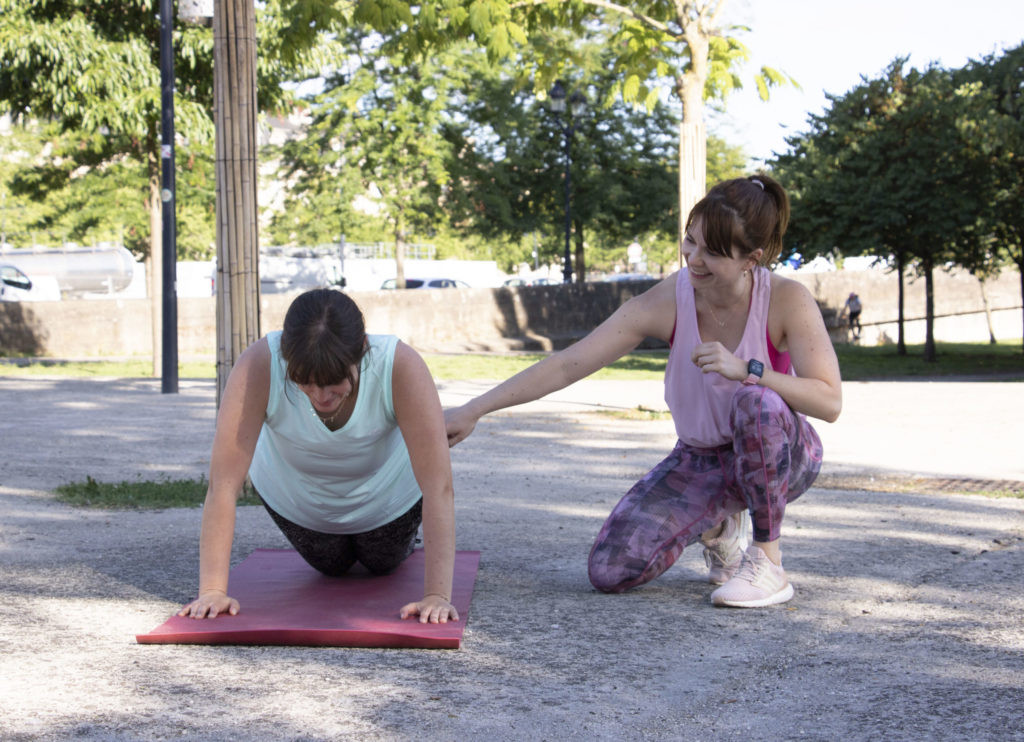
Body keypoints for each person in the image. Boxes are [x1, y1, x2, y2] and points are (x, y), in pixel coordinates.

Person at [446, 174, 842, 608]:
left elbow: (828, 401)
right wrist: (475, 409)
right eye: (690, 242)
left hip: (785, 455)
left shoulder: (786, 299)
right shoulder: (671, 298)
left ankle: (767, 560)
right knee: (610, 571)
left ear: (752, 258)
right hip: (702, 459)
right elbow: (568, 363)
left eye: (712, 251)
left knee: (755, 401)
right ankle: (720, 528)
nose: (694, 259)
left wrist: (749, 369)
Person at [179, 289, 458, 624]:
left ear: (362, 351)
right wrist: (211, 590)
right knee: (332, 567)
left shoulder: (399, 365)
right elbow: (223, 484)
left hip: (388, 500)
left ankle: (399, 543)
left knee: (381, 564)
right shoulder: (258, 364)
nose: (321, 396)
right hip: (299, 503)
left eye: (333, 383)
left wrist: (437, 596)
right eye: (305, 383)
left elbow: (438, 485)